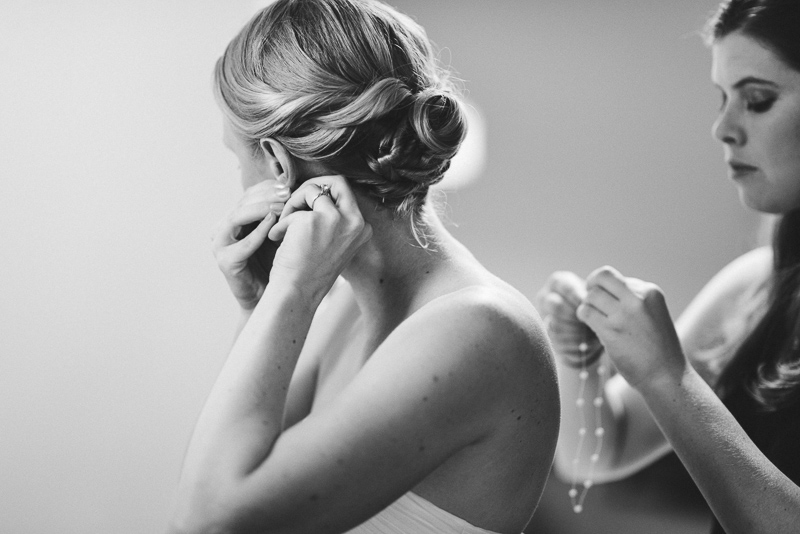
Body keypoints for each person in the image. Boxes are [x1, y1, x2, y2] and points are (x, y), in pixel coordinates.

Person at [169, 1, 560, 533]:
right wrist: (258, 306)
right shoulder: (342, 308)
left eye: (238, 159)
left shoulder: (476, 329)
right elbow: (236, 468)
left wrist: (290, 295)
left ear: (278, 164)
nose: (239, 181)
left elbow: (209, 521)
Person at [536, 0, 800, 532]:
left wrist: (667, 377)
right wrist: (577, 361)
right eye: (721, 99)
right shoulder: (752, 288)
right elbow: (593, 458)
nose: (723, 128)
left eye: (758, 99)